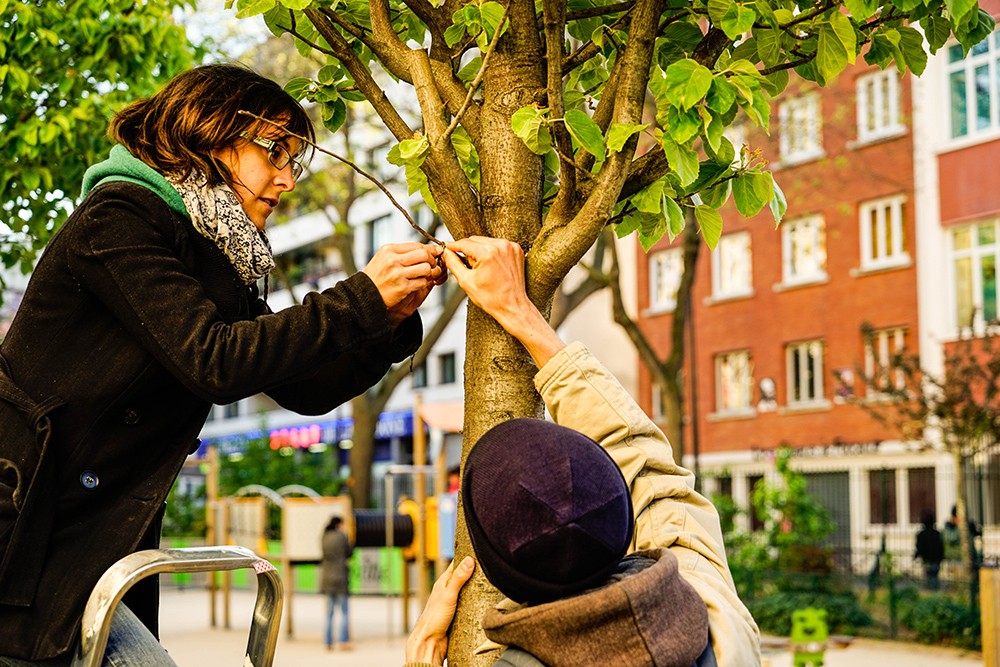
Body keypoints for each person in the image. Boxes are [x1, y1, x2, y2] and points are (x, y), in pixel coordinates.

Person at [0, 63, 445, 666]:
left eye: (295, 160)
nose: (287, 179)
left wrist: (387, 323)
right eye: (275, 152)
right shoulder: (117, 220)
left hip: (94, 548)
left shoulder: (218, 262)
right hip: (25, 532)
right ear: (209, 134)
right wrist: (361, 296)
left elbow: (303, 388)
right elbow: (215, 361)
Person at [405, 237, 761, 667]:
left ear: (493, 572)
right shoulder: (711, 612)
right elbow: (646, 465)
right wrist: (520, 312)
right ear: (620, 513)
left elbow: (641, 464)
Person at [319, 516, 354, 651]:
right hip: (340, 578)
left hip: (327, 578)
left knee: (329, 613)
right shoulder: (342, 537)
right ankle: (343, 641)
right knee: (344, 611)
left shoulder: (324, 537)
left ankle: (327, 642)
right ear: (339, 525)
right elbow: (349, 552)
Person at [914, 509, 944, 590]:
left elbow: (919, 547)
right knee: (934, 578)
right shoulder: (937, 534)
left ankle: (931, 592)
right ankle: (934, 592)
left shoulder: (921, 535)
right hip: (935, 560)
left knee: (928, 578)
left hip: (927, 560)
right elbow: (941, 547)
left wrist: (916, 555)